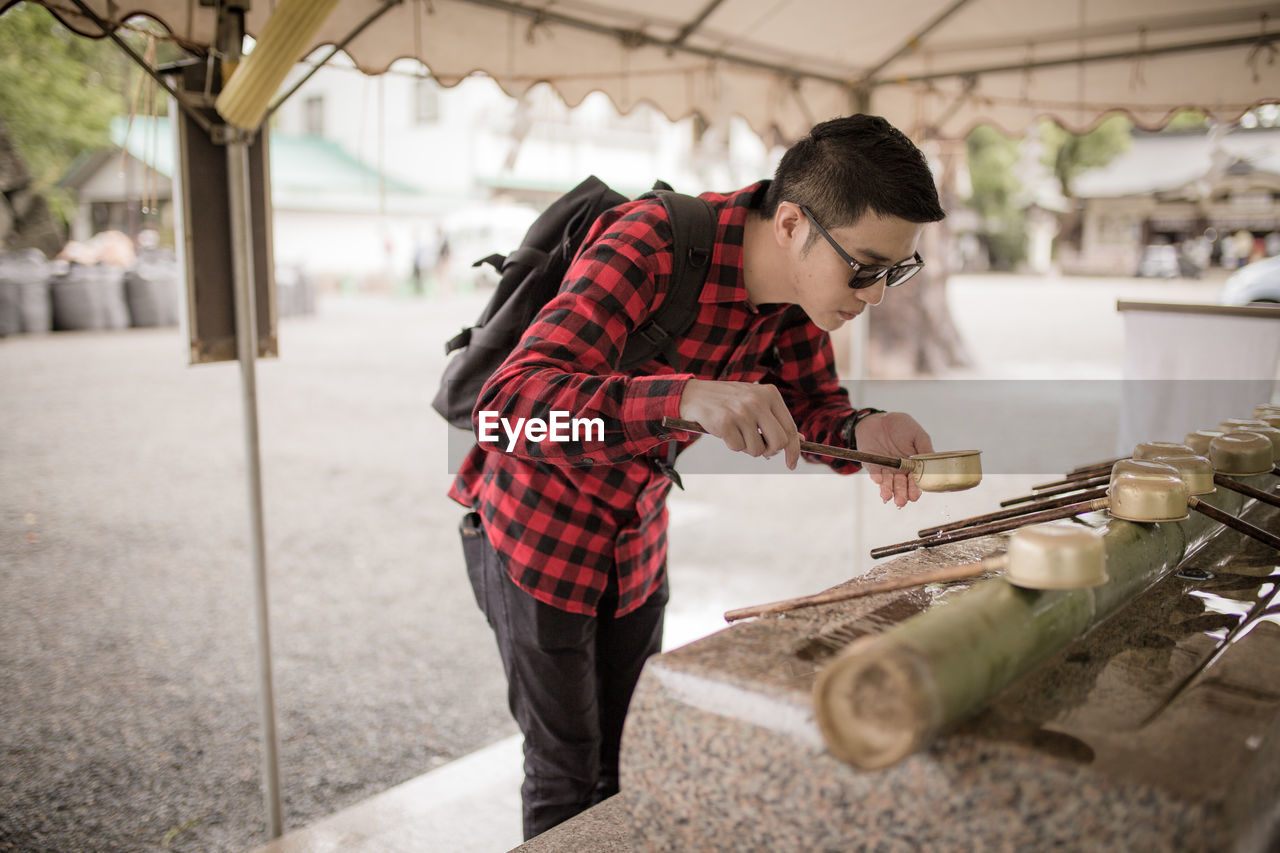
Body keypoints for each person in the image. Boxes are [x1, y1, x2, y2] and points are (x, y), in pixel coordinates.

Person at [447, 114, 946, 839]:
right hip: (537, 536)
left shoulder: (804, 295)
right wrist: (681, 396)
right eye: (865, 267)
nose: (873, 294)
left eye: (894, 271)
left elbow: (809, 407)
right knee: (565, 771)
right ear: (790, 223)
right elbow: (511, 408)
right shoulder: (649, 243)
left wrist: (861, 430)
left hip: (634, 541)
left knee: (631, 757)